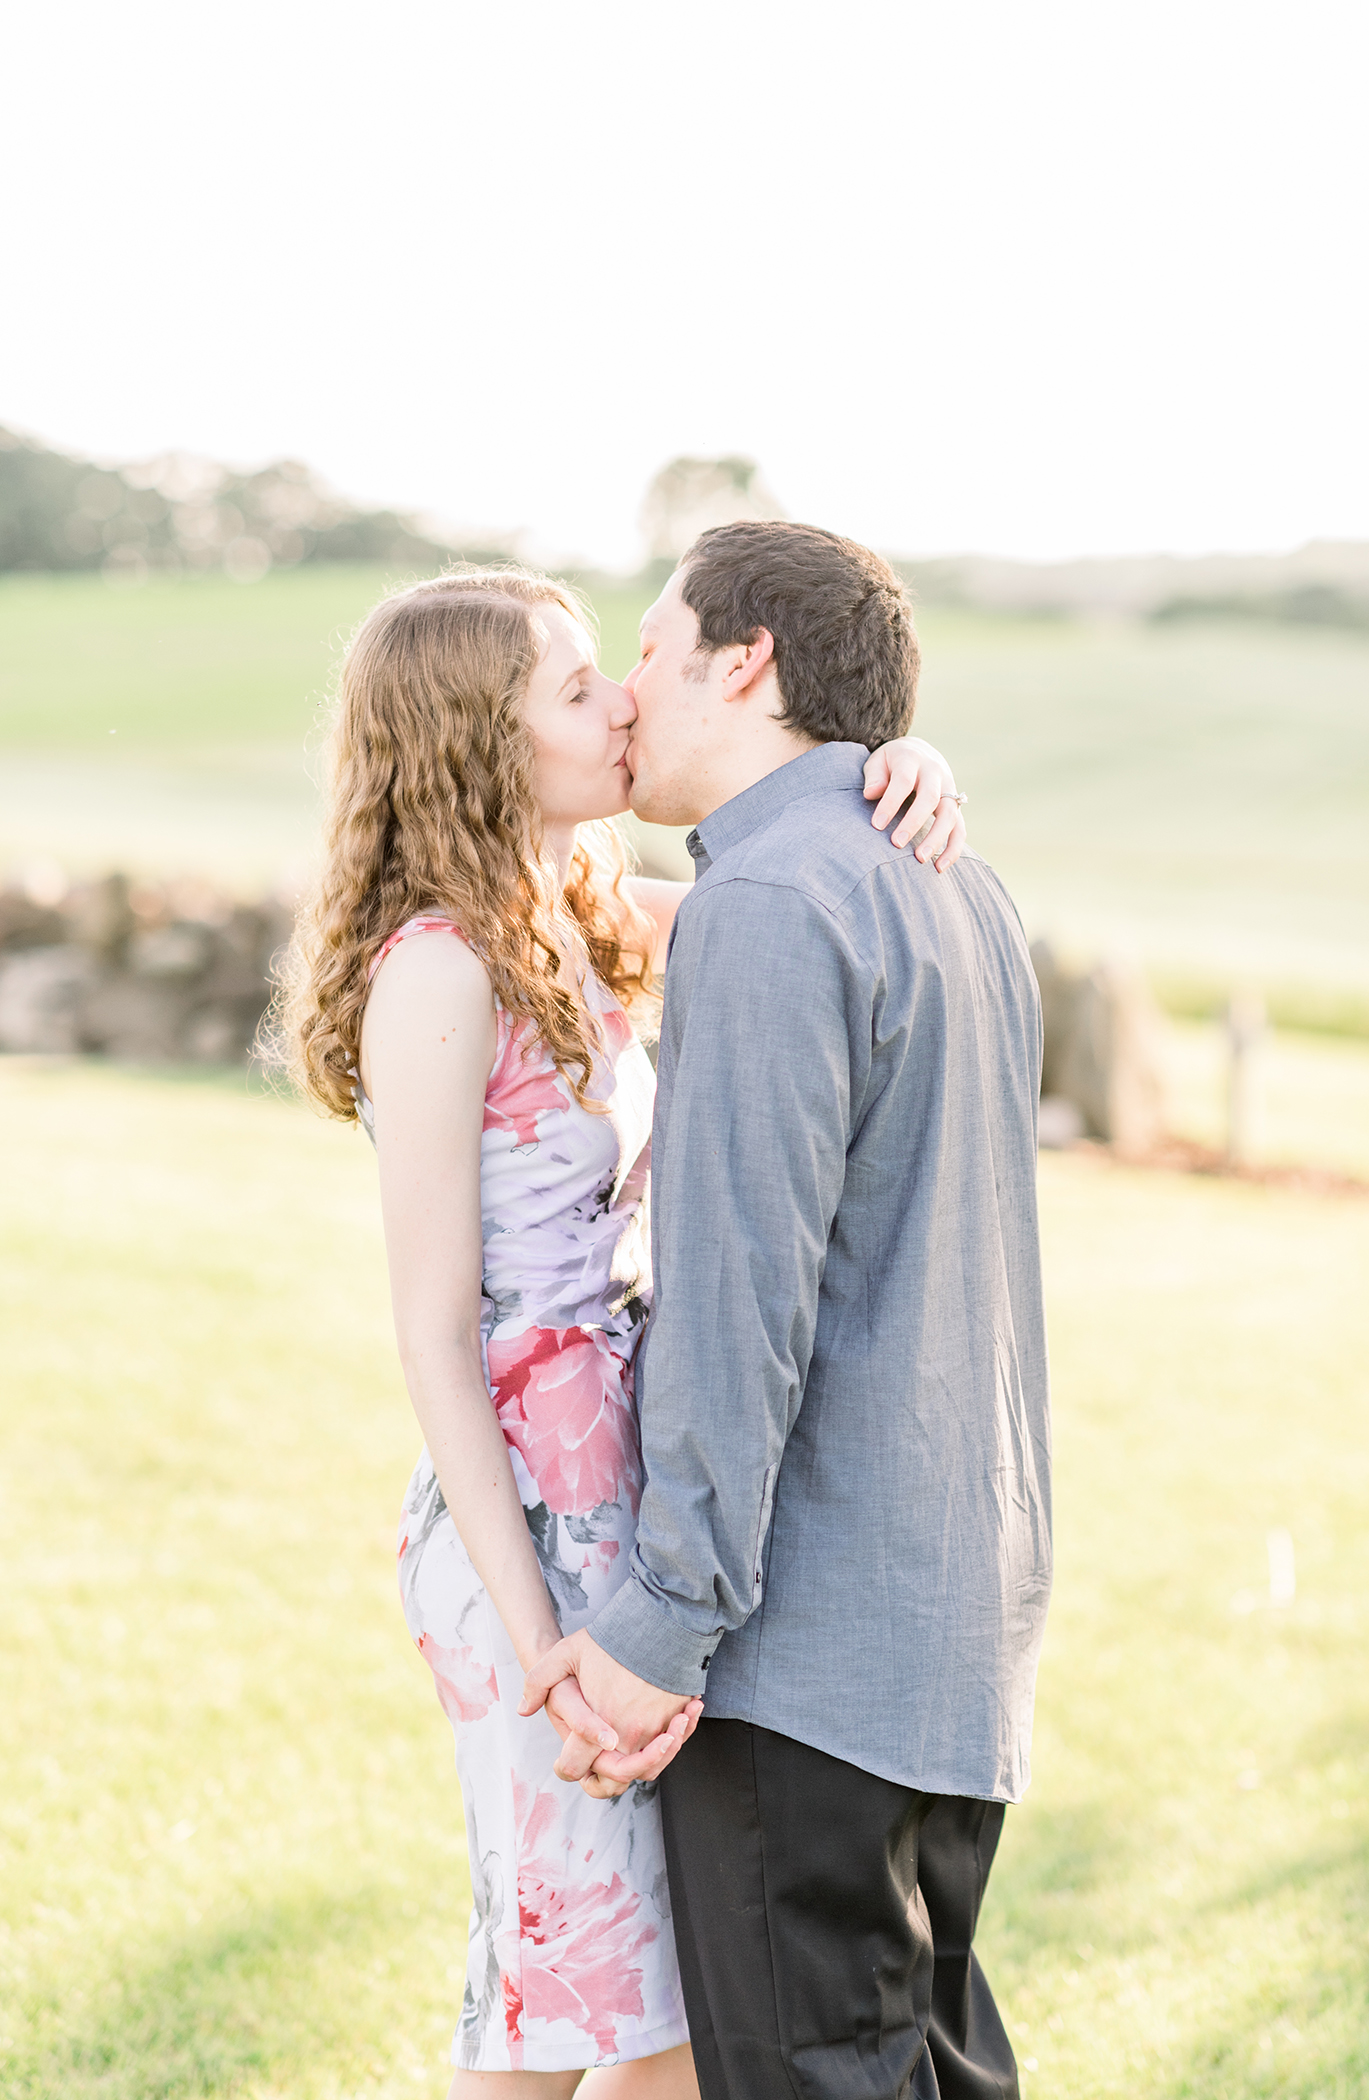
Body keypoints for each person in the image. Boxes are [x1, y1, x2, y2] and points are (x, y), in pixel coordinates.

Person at [278, 561, 968, 2098]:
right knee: (575, 2008)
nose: (623, 702)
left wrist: (897, 768)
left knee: (645, 2002)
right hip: (523, 1522)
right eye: (578, 685)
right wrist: (537, 1643)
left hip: (625, 1506)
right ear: (479, 738)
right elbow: (436, 1339)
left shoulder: (579, 912)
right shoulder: (441, 972)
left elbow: (796, 886)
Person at [523, 522, 1052, 2100]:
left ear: (741, 659)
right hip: (955, 1624)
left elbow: (741, 1306)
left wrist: (659, 1629)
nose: (626, 689)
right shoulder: (960, 884)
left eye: (647, 645)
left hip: (805, 1646)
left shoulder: (769, 910)